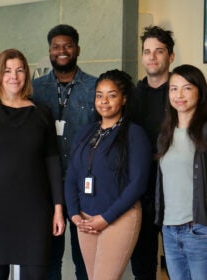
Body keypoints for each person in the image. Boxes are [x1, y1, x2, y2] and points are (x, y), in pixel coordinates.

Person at [0, 48, 65, 280]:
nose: (14, 76)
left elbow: (52, 164)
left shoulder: (42, 113)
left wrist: (58, 209)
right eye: (7, 70)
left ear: (26, 75)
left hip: (35, 211)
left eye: (20, 70)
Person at [65, 69, 152, 279]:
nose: (104, 101)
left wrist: (106, 218)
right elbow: (71, 176)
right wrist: (74, 214)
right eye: (99, 95)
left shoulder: (135, 134)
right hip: (85, 220)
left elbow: (138, 183)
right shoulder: (85, 132)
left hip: (119, 218)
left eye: (111, 95)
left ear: (123, 99)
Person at [32, 24, 97, 280]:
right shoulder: (35, 88)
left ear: (77, 49)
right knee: (49, 258)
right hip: (45, 186)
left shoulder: (94, 87)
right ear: (49, 51)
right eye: (56, 47)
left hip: (84, 185)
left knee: (84, 257)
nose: (62, 51)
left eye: (67, 46)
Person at [129, 25, 175, 280]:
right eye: (147, 51)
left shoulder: (181, 94)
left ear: (171, 56)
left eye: (159, 51)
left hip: (175, 194)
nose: (152, 57)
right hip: (141, 192)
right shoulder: (131, 97)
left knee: (178, 265)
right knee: (143, 267)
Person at [155, 64, 207, 280]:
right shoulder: (164, 135)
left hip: (199, 230)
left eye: (186, 88)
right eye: (173, 89)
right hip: (170, 230)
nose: (179, 95)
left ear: (199, 91)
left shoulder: (204, 132)